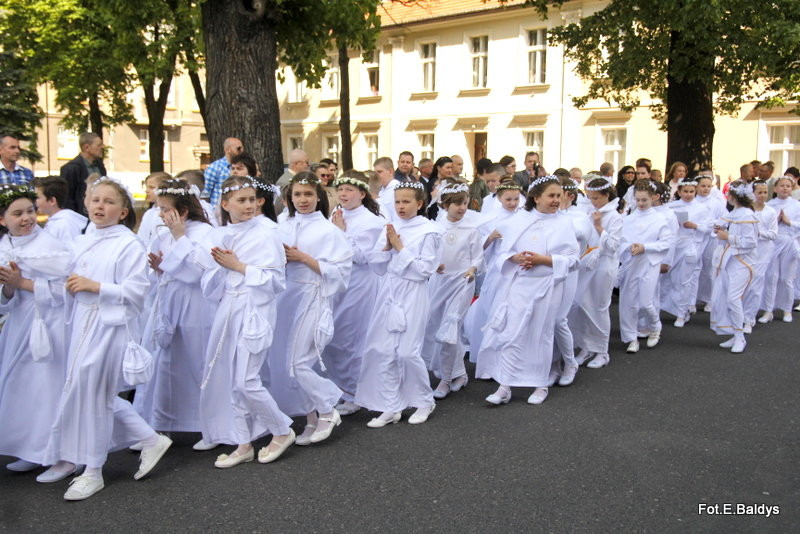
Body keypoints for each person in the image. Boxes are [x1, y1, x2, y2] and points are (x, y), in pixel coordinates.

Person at [40, 176, 172, 500]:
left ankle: (94, 470)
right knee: (86, 390)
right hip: (82, 321)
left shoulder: (128, 244)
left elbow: (137, 291)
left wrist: (96, 286)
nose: (101, 206)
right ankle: (149, 439)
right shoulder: (84, 238)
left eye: (109, 201)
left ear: (124, 211)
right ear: (86, 203)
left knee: (94, 393)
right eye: (96, 200)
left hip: (110, 325)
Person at [196, 175, 295, 468]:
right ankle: (243, 441)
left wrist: (239, 266)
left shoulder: (267, 233)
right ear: (225, 204)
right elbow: (209, 282)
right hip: (230, 307)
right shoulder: (217, 236)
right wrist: (221, 268)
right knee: (231, 378)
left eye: (252, 199)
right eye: (242, 200)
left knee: (246, 380)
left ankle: (281, 430)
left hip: (255, 309)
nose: (249, 205)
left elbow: (276, 281)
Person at [476, 175, 578, 406]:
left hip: (547, 286)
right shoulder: (518, 220)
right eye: (551, 196)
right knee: (512, 332)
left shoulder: (564, 223)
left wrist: (544, 259)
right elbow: (501, 253)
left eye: (558, 196)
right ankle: (505, 385)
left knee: (540, 334)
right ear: (536, 197)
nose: (555, 200)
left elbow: (573, 259)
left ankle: (540, 383)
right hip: (520, 284)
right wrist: (515, 256)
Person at [267, 172, 353, 445]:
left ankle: (328, 408)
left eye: (308, 194)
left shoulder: (328, 231)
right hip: (286, 298)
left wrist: (303, 257)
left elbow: (340, 273)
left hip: (313, 296)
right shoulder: (282, 225)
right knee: (285, 361)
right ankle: (311, 416)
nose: (302, 200)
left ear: (318, 196)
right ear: (289, 198)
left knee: (300, 361)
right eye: (297, 195)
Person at [133, 179, 215, 450]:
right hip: (169, 303)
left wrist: (180, 237)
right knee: (164, 362)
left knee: (196, 362)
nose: (160, 214)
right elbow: (163, 270)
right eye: (159, 208)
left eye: (165, 208)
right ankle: (158, 422)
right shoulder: (163, 234)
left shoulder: (204, 233)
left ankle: (208, 424)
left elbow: (198, 273)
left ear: (183, 210)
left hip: (195, 306)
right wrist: (159, 270)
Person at [354, 181, 441, 427]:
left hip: (412, 293)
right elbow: (378, 266)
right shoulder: (389, 227)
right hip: (389, 292)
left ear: (420, 203)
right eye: (398, 202)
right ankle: (390, 405)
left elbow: (424, 270)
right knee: (383, 350)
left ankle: (425, 400)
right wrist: (386, 247)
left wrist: (400, 248)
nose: (401, 207)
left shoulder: (429, 231)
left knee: (407, 351)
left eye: (406, 202)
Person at [0, 186, 71, 474]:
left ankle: (61, 454)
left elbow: (65, 290)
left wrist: (23, 284)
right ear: (3, 219)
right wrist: (9, 286)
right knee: (22, 386)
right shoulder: (5, 248)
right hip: (19, 324)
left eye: (30, 211)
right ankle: (32, 446)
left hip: (49, 324)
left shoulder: (50, 246)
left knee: (47, 387)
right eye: (17, 214)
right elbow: (5, 298)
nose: (27, 218)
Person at [324, 172, 384, 416]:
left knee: (352, 338)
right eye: (340, 189)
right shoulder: (335, 216)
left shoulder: (372, 222)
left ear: (362, 193)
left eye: (349, 189)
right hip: (337, 283)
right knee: (334, 336)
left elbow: (362, 257)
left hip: (359, 284)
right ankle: (339, 387)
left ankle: (355, 392)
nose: (343, 194)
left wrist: (340, 233)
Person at [421, 180, 483, 399]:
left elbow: (477, 255)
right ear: (445, 205)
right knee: (437, 326)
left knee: (451, 326)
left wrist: (473, 268)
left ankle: (445, 379)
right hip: (441, 282)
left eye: (465, 203)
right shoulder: (436, 228)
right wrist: (433, 265)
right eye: (457, 203)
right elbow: (431, 253)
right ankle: (459, 373)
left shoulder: (471, 229)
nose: (462, 208)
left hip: (462, 282)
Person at [570, 177, 623, 369]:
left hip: (604, 265)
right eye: (590, 198)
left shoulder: (615, 217)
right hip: (587, 264)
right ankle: (586, 347)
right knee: (582, 305)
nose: (593, 202)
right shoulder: (588, 212)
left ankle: (602, 350)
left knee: (599, 307)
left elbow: (613, 246)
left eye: (597, 198)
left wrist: (600, 227)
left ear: (606, 196)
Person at [618, 180, 673, 353]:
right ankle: (631, 337)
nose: (641, 203)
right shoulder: (628, 219)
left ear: (653, 198)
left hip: (649, 263)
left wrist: (645, 247)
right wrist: (629, 247)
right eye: (638, 200)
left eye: (644, 200)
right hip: (631, 263)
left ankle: (655, 327)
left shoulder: (659, 219)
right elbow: (621, 240)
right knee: (628, 301)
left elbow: (666, 242)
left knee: (645, 302)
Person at [709, 181, 758, 353]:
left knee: (733, 298)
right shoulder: (735, 213)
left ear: (734, 197)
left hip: (742, 263)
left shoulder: (746, 215)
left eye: (729, 194)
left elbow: (751, 242)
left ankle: (740, 337)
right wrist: (719, 232)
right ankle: (735, 334)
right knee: (724, 298)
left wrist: (728, 236)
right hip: (728, 261)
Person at [554, 177, 592, 386]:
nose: (556, 201)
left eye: (559, 196)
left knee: (559, 319)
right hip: (547, 270)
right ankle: (552, 364)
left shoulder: (579, 217)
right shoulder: (550, 216)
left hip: (568, 272)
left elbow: (582, 235)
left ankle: (570, 362)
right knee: (545, 320)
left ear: (570, 196)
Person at [660, 176, 713, 327]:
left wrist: (695, 226)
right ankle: (664, 306)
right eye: (685, 191)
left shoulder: (702, 208)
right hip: (675, 246)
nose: (688, 194)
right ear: (680, 191)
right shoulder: (673, 207)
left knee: (684, 280)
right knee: (668, 278)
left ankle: (682, 312)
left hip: (690, 245)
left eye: (691, 191)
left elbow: (709, 227)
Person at [759, 176, 800, 323]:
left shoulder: (796, 205)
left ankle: (787, 309)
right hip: (773, 243)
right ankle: (768, 309)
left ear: (791, 188)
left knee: (786, 278)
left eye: (788, 186)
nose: (784, 188)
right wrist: (775, 221)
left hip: (789, 242)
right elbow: (763, 225)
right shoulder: (770, 205)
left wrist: (789, 222)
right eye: (781, 186)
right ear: (775, 189)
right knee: (771, 277)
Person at [742, 180, 777, 331]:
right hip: (746, 252)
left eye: (765, 192)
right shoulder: (746, 211)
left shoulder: (770, 211)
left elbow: (773, 233)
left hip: (763, 252)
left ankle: (749, 319)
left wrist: (758, 233)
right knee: (744, 285)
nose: (762, 195)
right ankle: (740, 316)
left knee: (756, 285)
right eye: (759, 192)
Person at [694, 174, 728, 312]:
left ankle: (709, 298)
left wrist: (716, 225)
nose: (706, 189)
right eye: (703, 186)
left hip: (711, 239)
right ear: (696, 186)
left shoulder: (716, 203)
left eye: (709, 186)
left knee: (710, 269)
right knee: (696, 268)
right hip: (697, 237)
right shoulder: (694, 202)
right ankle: (695, 297)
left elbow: (725, 218)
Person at [59, 132, 106, 216]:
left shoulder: (100, 165)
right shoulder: (71, 168)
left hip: (99, 215)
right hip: (80, 218)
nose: (103, 147)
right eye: (99, 145)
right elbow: (67, 199)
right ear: (86, 147)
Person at [32, 176, 87, 242]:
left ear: (52, 201)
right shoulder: (55, 222)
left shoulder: (65, 225)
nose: (35, 201)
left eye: (37, 197)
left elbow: (70, 249)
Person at [203, 137, 244, 206]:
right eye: (238, 148)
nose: (242, 151)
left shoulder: (243, 167)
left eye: (242, 148)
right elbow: (206, 192)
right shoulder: (215, 167)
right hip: (217, 211)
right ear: (228, 150)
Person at [137, 172, 172, 247]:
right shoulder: (149, 213)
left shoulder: (168, 212)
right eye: (146, 187)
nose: (147, 190)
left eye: (151, 187)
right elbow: (141, 237)